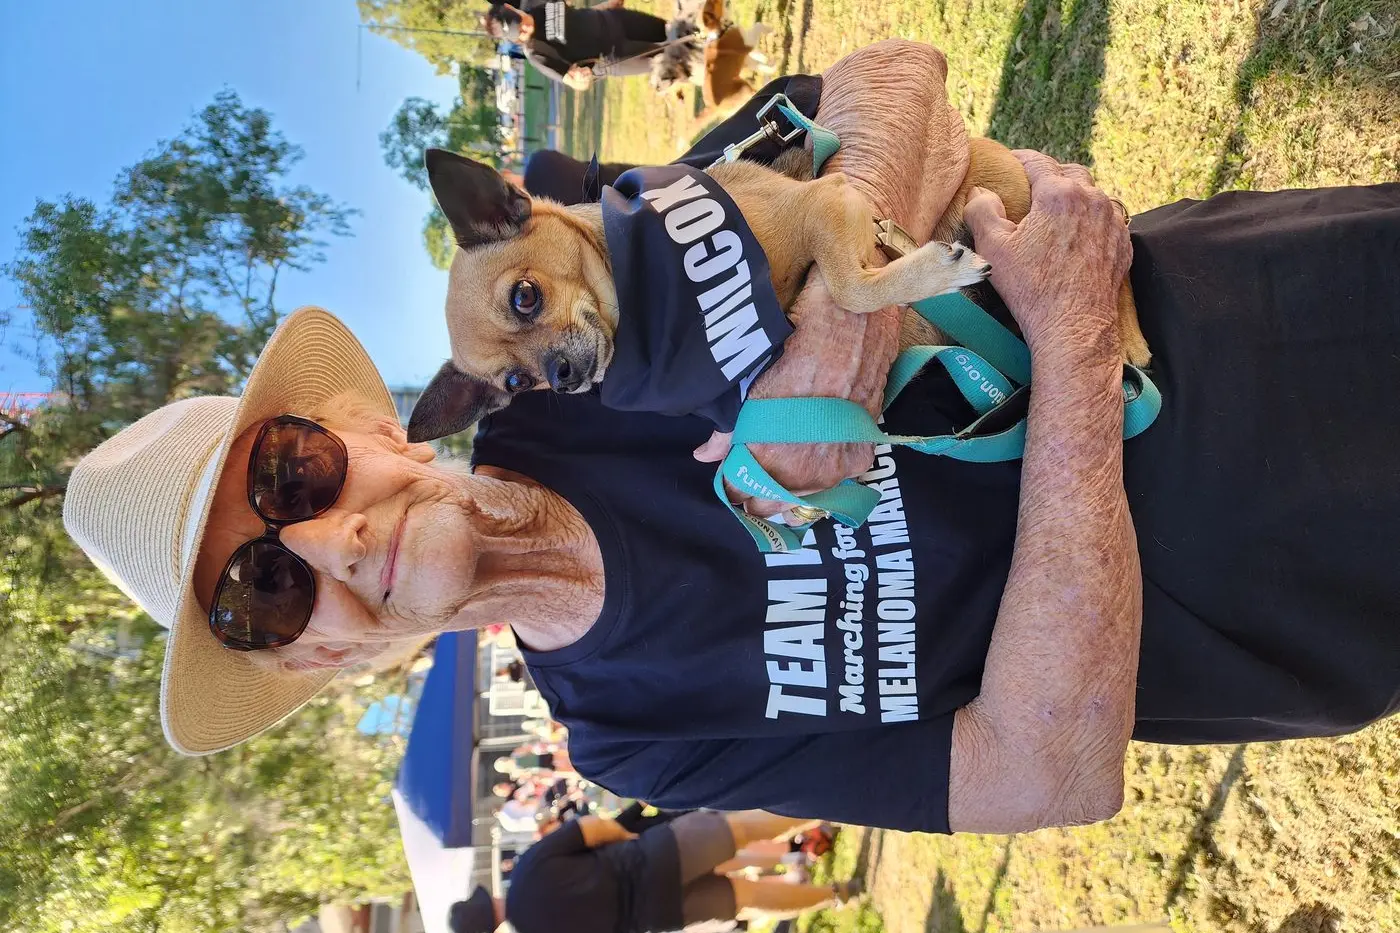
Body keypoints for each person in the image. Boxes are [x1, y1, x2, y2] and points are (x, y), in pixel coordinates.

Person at [62, 40, 1400, 835]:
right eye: (266, 587)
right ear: (324, 662)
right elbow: (1039, 767)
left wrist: (838, 319)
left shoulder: (583, 339)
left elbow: (891, 82)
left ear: (362, 423)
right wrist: (1074, 359)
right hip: (1299, 613)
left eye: (288, 474)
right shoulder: (631, 742)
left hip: (1269, 319)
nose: (330, 537)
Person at [446, 811, 859, 933]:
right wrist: (629, 840)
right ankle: (821, 811)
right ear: (487, 899)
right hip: (652, 857)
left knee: (750, 900)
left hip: (655, 914)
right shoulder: (527, 871)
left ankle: (838, 893)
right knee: (742, 830)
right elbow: (592, 829)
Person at [485, 0, 669, 90]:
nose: (525, 27)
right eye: (519, 32)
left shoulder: (537, 4)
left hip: (615, 20)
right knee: (670, 57)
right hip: (614, 56)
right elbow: (573, 81)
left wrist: (608, 5)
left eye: (520, 21)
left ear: (511, 8)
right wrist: (581, 78)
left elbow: (577, 13)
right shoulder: (536, 52)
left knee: (671, 30)